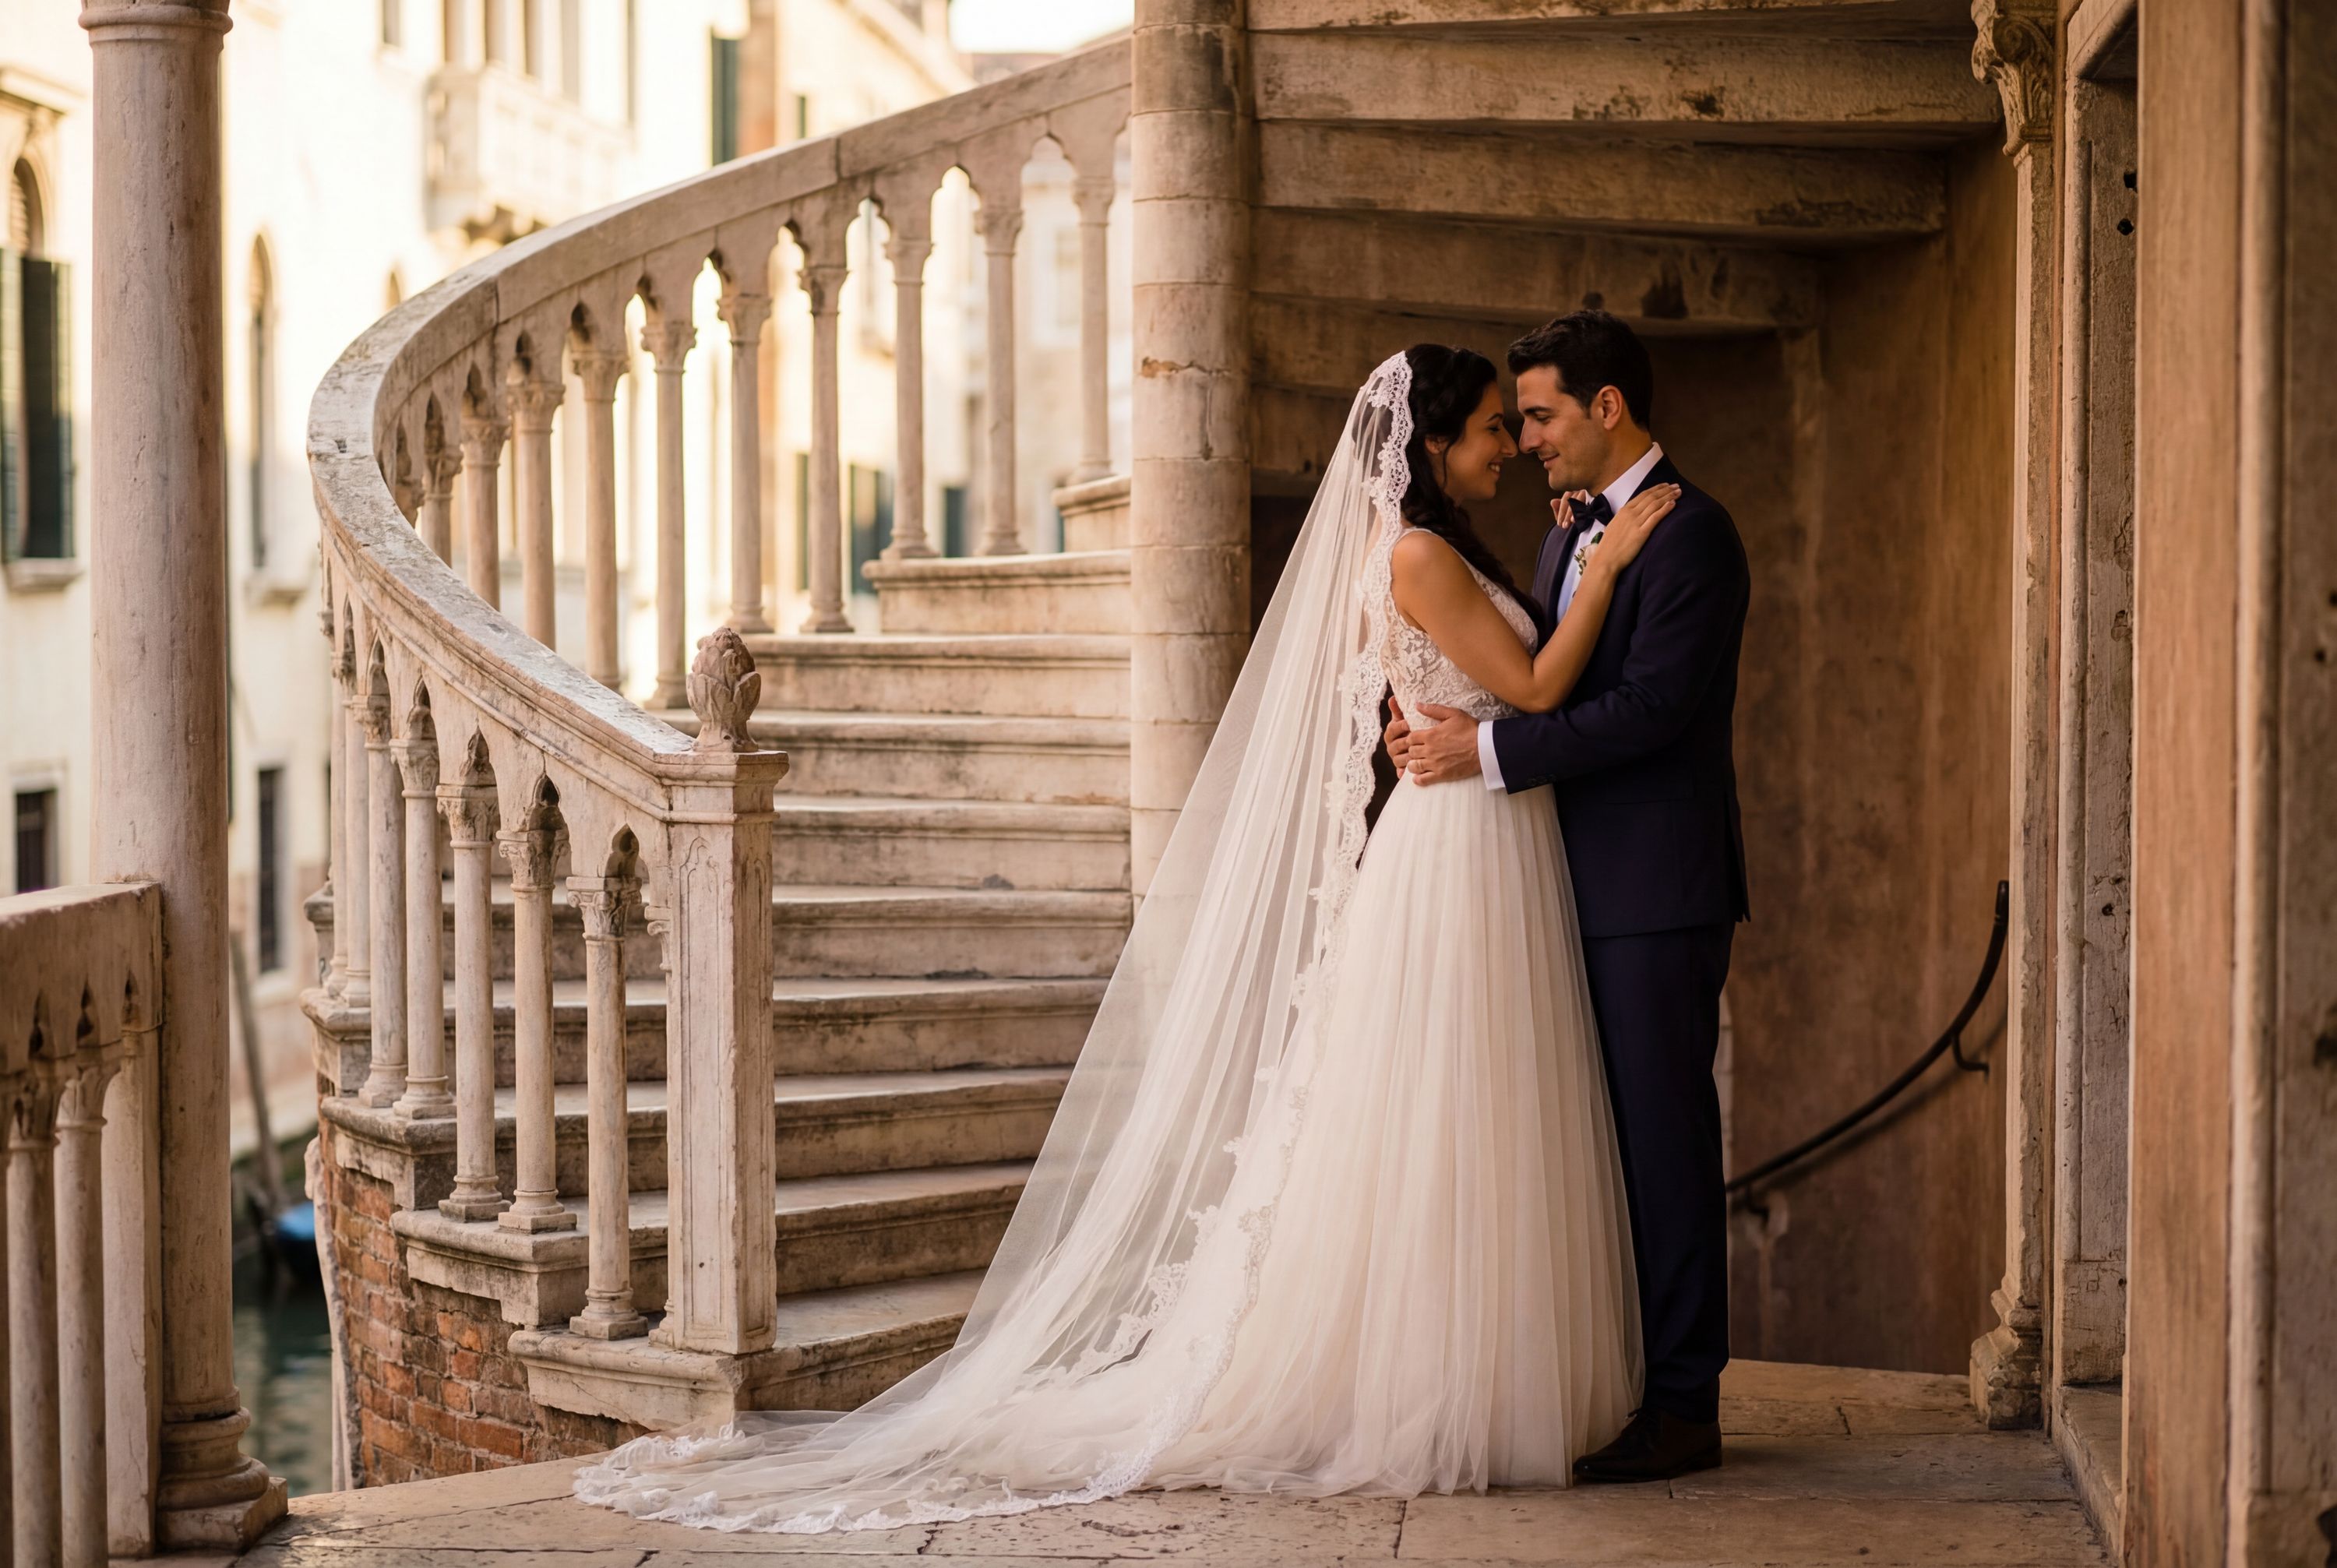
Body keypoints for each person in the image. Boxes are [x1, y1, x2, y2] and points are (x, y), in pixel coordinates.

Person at [573, 341, 1678, 1533]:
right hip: (1460, 846)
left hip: (1479, 833)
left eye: (1515, 429)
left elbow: (1480, 687)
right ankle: (1438, 1385)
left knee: (1472, 1109)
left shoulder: (1430, 546)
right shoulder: (1413, 550)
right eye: (1486, 432)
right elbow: (1537, 683)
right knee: (1448, 1110)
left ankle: (1486, 1362)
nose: (1504, 449)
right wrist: (1610, 568)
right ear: (1431, 445)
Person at [1389, 310, 1751, 1483]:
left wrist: (1480, 757)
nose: (1528, 438)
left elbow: (1646, 712)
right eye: (1511, 421)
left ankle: (1684, 1402)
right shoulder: (1562, 539)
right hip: (1546, 885)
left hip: (1651, 887)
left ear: (1606, 408)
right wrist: (1443, 721)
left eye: (1539, 414)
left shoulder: (1694, 536)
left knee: (1660, 1141)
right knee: (1581, 1149)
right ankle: (1609, 1382)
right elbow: (1531, 678)